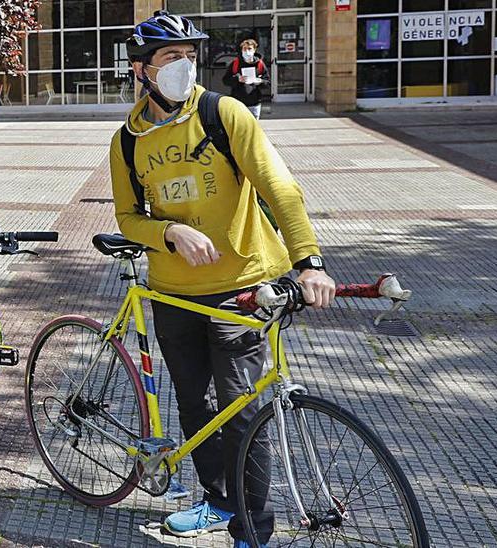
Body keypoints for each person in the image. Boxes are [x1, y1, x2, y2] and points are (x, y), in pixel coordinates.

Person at [111, 12, 335, 548]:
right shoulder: (127, 141)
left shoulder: (223, 113)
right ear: (141, 70)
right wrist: (169, 233)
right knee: (194, 403)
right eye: (170, 57)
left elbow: (280, 188)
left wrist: (309, 261)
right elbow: (127, 217)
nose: (184, 67)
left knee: (243, 409)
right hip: (173, 292)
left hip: (243, 286)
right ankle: (216, 500)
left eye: (190, 56)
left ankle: (251, 530)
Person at [222, 38, 269, 119]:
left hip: (254, 103)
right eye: (244, 49)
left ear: (254, 50)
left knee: (253, 129)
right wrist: (237, 79)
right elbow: (225, 80)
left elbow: (268, 82)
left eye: (249, 48)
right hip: (238, 103)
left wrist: (260, 81)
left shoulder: (260, 64)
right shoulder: (235, 63)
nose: (247, 51)